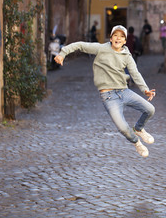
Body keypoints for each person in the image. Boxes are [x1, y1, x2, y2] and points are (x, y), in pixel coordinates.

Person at [54, 25, 156, 158]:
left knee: (150, 109)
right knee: (123, 128)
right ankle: (136, 142)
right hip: (109, 97)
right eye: (115, 35)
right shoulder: (101, 49)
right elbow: (79, 45)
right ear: (111, 38)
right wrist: (62, 54)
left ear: (125, 41)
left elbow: (135, 73)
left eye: (121, 36)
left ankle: (138, 129)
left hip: (124, 92)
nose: (118, 38)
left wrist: (145, 90)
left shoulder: (127, 55)